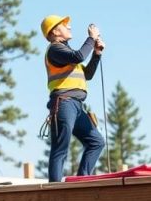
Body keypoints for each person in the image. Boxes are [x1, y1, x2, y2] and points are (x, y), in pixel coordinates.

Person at [41, 15, 106, 182]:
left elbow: (88, 74)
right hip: (64, 103)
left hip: (76, 106)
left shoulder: (66, 54)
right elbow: (79, 56)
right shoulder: (55, 49)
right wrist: (91, 38)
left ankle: (82, 181)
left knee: (96, 142)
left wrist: (97, 54)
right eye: (65, 26)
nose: (69, 28)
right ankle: (54, 190)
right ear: (55, 31)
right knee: (60, 148)